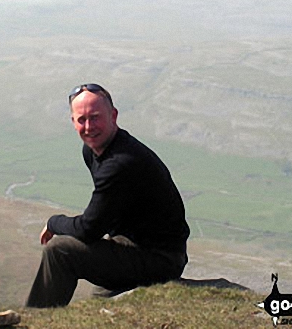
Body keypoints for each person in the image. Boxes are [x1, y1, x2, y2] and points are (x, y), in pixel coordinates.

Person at [26, 83, 190, 308]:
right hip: (133, 244)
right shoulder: (95, 152)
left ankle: (36, 322)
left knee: (60, 250)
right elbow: (103, 217)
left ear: (113, 115)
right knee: (100, 304)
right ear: (73, 122)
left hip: (160, 258)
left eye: (95, 117)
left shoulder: (120, 162)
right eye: (81, 119)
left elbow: (88, 228)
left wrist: (54, 222)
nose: (89, 126)